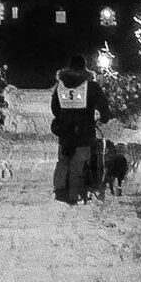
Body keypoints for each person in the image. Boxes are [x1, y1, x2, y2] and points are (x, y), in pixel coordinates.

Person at [48, 55, 106, 205]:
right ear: (84, 67)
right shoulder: (91, 86)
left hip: (65, 132)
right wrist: (104, 117)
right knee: (80, 162)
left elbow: (55, 108)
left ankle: (59, 190)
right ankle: (75, 194)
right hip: (84, 132)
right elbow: (103, 107)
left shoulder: (60, 86)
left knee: (64, 160)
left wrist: (64, 118)